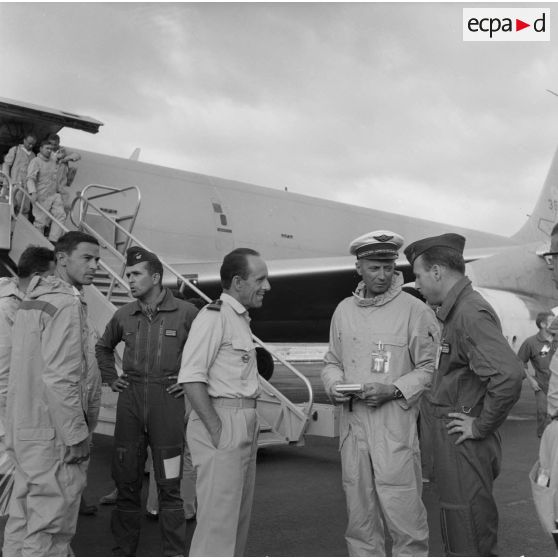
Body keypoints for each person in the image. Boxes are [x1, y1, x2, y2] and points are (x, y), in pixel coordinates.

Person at [404, 232, 524, 557]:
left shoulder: (468, 313)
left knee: (469, 535)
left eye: (417, 275)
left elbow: (509, 375)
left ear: (438, 272)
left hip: (464, 446)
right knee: (461, 529)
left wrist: (479, 426)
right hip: (456, 446)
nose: (415, 284)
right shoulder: (455, 311)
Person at [321, 230, 439, 557]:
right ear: (358, 267)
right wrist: (333, 386)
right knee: (360, 519)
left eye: (388, 267)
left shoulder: (415, 311)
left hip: (393, 428)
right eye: (374, 267)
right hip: (353, 427)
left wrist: (393, 389)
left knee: (405, 517)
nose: (382, 275)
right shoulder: (343, 310)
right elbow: (332, 361)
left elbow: (429, 369)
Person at [95, 246, 199, 557]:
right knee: (127, 484)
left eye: (136, 274)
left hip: (167, 405)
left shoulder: (186, 313)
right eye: (128, 275)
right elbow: (102, 348)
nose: (130, 280)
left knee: (169, 486)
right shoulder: (123, 315)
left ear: (155, 277)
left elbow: (206, 354)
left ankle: (174, 553)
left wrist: (188, 383)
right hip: (130, 405)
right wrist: (112, 378)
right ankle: (124, 549)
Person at [3, 231, 100, 556]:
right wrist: (75, 435)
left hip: (26, 429)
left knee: (23, 522)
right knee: (50, 533)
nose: (95, 266)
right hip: (53, 437)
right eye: (87, 258)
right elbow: (62, 377)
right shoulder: (65, 304)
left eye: (97, 259)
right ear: (61, 259)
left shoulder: (30, 302)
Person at [178, 247, 271, 557]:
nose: (267, 287)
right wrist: (218, 431)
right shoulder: (213, 316)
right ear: (237, 281)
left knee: (236, 522)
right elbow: (191, 377)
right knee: (217, 525)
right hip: (223, 422)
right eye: (260, 279)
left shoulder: (238, 318)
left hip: (242, 421)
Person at [0, 246, 55, 429]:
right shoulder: (6, 308)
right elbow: (4, 367)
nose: (55, 284)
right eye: (52, 277)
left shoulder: (30, 304)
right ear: (37, 277)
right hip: (8, 414)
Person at [518, 311, 557, 438]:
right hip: (541, 385)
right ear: (543, 324)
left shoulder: (556, 340)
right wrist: (530, 380)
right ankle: (543, 440)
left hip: (556, 385)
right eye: (552, 320)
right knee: (542, 413)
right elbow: (520, 362)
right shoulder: (531, 342)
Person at [26, 138, 66, 242]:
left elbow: (61, 156)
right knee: (41, 221)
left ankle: (53, 240)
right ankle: (37, 243)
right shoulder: (35, 161)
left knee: (60, 214)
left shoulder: (53, 159)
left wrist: (63, 155)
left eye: (51, 149)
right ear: (40, 149)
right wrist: (33, 192)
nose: (49, 150)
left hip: (53, 194)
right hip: (41, 195)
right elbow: (30, 178)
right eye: (47, 148)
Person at [1, 134, 36, 213]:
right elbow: (6, 166)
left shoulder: (33, 156)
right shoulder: (15, 150)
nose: (30, 146)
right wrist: (5, 184)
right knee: (10, 209)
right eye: (29, 143)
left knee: (24, 210)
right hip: (13, 185)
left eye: (33, 144)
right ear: (24, 140)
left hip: (26, 189)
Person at [47, 134, 81, 213]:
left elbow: (77, 155)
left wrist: (65, 159)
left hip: (60, 187)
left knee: (64, 208)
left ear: (58, 143)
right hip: (48, 186)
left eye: (55, 144)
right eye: (50, 144)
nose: (52, 146)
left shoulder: (64, 151)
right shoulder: (46, 151)